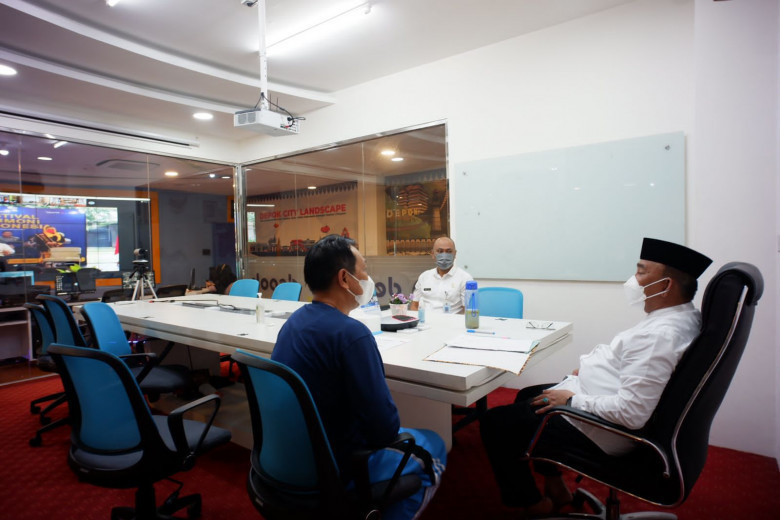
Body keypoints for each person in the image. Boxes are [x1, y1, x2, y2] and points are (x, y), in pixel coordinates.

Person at [479, 237, 712, 517]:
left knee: (496, 423)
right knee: (527, 394)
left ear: (665, 285)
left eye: (641, 272)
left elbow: (632, 413)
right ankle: (555, 485)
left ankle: (532, 505)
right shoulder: (680, 316)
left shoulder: (659, 336)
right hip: (603, 401)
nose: (633, 280)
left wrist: (573, 399)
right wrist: (590, 372)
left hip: (608, 431)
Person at [272, 234, 446, 520]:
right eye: (364, 271)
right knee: (434, 445)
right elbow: (385, 430)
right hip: (337, 464)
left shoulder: (295, 322)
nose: (368, 279)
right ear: (344, 278)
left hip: (290, 458)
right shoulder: (351, 334)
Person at [409, 236, 473, 314]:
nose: (444, 255)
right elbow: (415, 305)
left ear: (455, 254)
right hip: (425, 323)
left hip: (451, 323)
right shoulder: (424, 276)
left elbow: (467, 310)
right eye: (440, 251)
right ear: (432, 254)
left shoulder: (465, 278)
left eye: (449, 251)